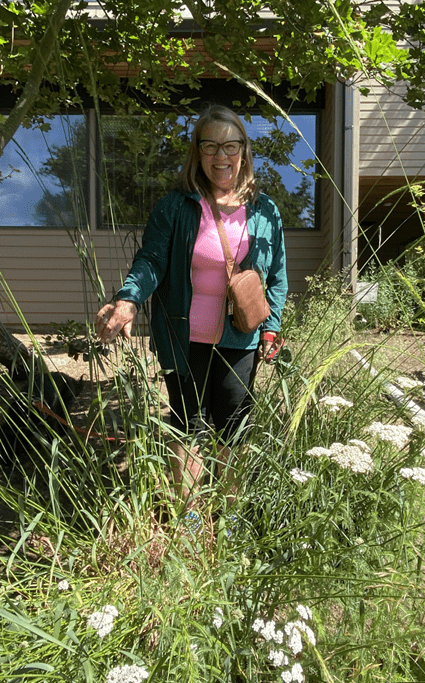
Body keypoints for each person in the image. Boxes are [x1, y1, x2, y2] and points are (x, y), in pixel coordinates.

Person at [96, 104, 288, 511]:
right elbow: (150, 261)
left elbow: (277, 277)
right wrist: (128, 299)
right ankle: (190, 520)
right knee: (188, 426)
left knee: (233, 430)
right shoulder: (176, 207)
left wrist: (271, 325)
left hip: (241, 338)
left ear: (244, 151)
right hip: (184, 339)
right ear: (198, 153)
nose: (221, 156)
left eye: (230, 145)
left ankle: (229, 517)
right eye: (211, 145)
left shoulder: (266, 211)